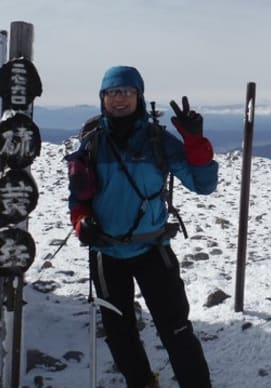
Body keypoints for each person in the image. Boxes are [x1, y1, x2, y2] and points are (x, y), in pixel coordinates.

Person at [67, 65, 218, 388]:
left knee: (175, 328)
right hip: (106, 251)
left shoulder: (158, 141)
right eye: (112, 92)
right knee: (120, 333)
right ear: (102, 98)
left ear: (139, 96)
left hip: (153, 250)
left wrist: (195, 141)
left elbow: (203, 184)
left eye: (127, 92)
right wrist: (81, 222)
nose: (119, 99)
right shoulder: (92, 144)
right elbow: (77, 196)